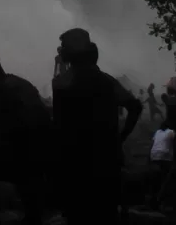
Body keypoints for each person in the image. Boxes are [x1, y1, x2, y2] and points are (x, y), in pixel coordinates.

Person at [52, 29, 142, 225]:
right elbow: (135, 107)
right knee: (105, 214)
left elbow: (58, 124)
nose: (60, 51)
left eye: (64, 47)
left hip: (75, 163)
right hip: (106, 159)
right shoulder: (106, 81)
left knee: (77, 214)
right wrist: (121, 137)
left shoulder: (62, 84)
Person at [0, 51, 53, 225]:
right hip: (33, 147)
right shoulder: (11, 85)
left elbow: (17, 133)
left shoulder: (6, 92)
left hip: (30, 148)